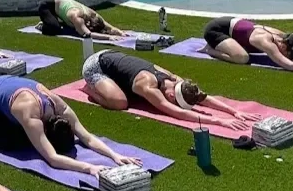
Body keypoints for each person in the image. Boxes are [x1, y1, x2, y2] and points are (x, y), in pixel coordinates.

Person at [0, 75, 142, 175]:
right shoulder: (31, 116)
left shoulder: (60, 107)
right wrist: (90, 168)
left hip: (7, 86)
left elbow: (87, 137)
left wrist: (115, 155)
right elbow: (52, 159)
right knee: (14, 143)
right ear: (45, 130)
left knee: (28, 135)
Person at [82, 49, 259, 130]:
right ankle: (90, 90)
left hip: (114, 58)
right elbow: (174, 112)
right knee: (120, 102)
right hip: (96, 65)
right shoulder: (148, 85)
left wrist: (234, 112)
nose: (174, 103)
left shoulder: (175, 80)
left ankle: (114, 85)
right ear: (171, 94)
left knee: (127, 96)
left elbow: (202, 97)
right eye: (176, 101)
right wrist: (219, 122)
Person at [202, 17, 293, 71]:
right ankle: (210, 49)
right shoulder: (266, 41)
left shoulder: (284, 37)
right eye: (288, 54)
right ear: (285, 47)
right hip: (216, 30)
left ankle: (228, 45)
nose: (287, 56)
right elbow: (288, 65)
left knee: (243, 54)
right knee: (242, 58)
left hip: (231, 26)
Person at [37, 0, 125, 40]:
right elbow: (87, 34)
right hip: (47, 6)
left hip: (61, 3)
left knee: (70, 26)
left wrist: (119, 31)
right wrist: (108, 37)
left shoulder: (91, 14)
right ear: (88, 23)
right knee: (55, 29)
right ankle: (43, 25)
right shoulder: (76, 17)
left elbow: (104, 23)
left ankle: (56, 20)